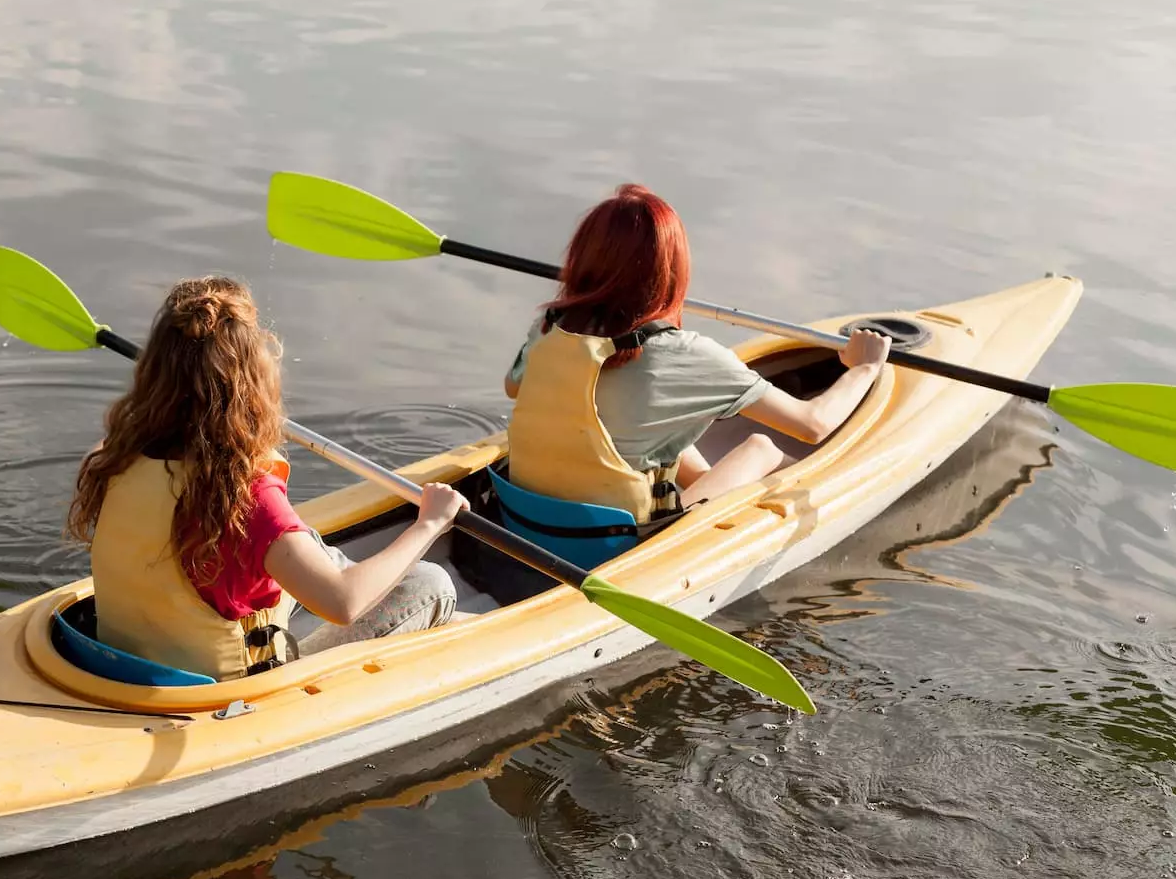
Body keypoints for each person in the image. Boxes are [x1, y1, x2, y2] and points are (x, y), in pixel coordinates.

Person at [68, 276, 467, 681]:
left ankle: (329, 567)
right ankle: (453, 623)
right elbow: (343, 602)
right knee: (431, 584)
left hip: (121, 663)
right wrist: (430, 523)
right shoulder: (248, 499)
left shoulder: (110, 457)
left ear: (156, 374)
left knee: (306, 544)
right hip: (225, 689)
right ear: (253, 384)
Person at [503, 184, 891, 516]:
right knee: (761, 447)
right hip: (613, 542)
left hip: (525, 515)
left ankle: (713, 486)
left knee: (658, 429)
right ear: (670, 271)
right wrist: (865, 367)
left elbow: (514, 386)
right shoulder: (686, 355)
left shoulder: (550, 326)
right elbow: (813, 424)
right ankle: (805, 497)